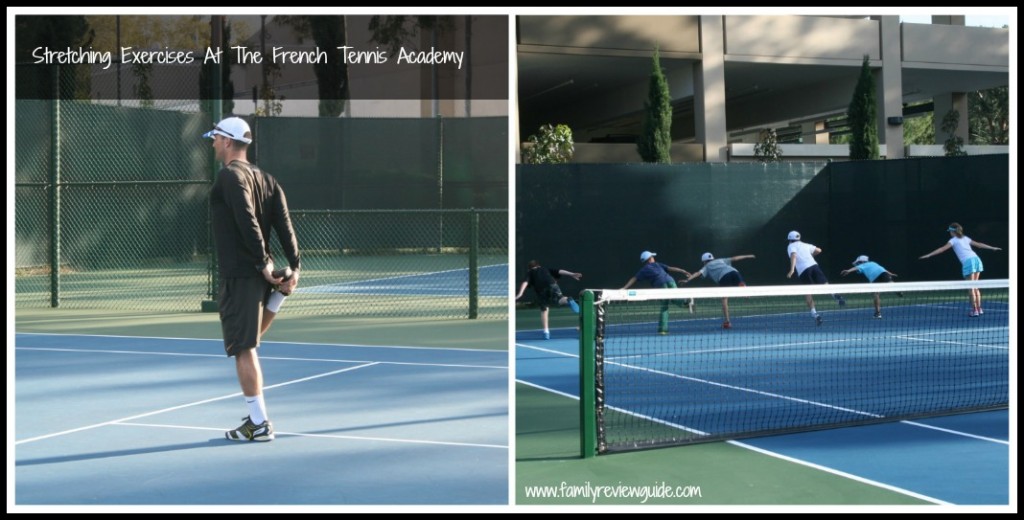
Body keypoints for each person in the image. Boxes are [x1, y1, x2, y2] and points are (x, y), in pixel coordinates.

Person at [205, 116, 301, 442]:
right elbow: (284, 223)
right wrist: (295, 265)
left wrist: (261, 262)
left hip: (242, 274)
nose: (213, 143)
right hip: (260, 273)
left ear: (228, 141)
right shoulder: (267, 178)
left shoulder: (229, 177)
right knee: (249, 340)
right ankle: (277, 296)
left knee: (243, 347)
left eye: (215, 138)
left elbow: (247, 218)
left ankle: (258, 424)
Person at [919, 222, 1002, 317]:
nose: (949, 233)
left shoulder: (953, 240)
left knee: (971, 287)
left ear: (952, 231)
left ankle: (975, 310)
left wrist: (929, 255)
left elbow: (942, 249)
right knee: (975, 286)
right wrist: (992, 248)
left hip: (969, 262)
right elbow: (979, 245)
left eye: (950, 231)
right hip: (977, 260)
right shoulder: (965, 238)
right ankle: (979, 309)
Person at [620, 251, 694, 335]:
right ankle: (686, 303)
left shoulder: (644, 270)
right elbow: (671, 268)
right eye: (652, 256)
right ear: (650, 259)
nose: (653, 258)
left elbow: (634, 278)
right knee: (674, 298)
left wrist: (624, 288)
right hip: (671, 281)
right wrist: (683, 271)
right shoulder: (658, 264)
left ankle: (663, 330)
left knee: (664, 306)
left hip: (661, 285)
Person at [680, 252, 755, 329]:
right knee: (740, 283)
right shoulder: (720, 260)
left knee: (724, 299)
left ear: (704, 261)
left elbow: (698, 273)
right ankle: (743, 288)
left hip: (724, 277)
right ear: (712, 258)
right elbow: (735, 258)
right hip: (734, 272)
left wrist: (688, 279)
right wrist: (748, 256)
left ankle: (727, 322)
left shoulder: (706, 266)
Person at [785, 231, 844, 325]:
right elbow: (819, 250)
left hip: (803, 270)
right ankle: (835, 296)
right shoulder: (805, 244)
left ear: (789, 240)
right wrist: (809, 256)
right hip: (814, 265)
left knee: (808, 293)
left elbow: (794, 255)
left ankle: (815, 314)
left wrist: (792, 270)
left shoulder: (791, 246)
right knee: (825, 284)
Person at [515, 260, 582, 340]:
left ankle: (546, 332)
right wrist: (572, 274)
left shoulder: (530, 272)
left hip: (541, 289)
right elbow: (560, 271)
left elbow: (525, 282)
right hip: (552, 284)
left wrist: (520, 293)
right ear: (538, 266)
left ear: (529, 268)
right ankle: (568, 299)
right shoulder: (545, 269)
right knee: (560, 299)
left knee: (544, 309)